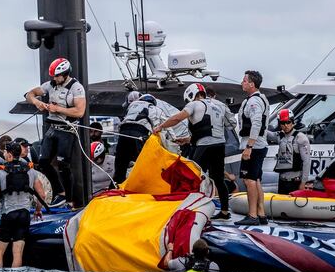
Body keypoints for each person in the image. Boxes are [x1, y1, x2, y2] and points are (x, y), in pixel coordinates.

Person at [153, 83, 232, 219]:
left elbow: (178, 118)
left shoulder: (194, 104)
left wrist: (161, 126)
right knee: (218, 179)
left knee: (191, 177)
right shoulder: (218, 105)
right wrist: (186, 139)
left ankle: (190, 210)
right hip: (219, 145)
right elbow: (214, 129)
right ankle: (225, 211)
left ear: (191, 95)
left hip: (203, 147)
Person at [25, 57, 86, 208]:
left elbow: (80, 111)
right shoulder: (50, 85)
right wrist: (37, 102)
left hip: (67, 130)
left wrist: (58, 109)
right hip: (52, 129)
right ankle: (60, 193)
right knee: (44, 162)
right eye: (53, 76)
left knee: (64, 164)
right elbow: (29, 94)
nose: (54, 79)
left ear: (65, 74)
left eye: (57, 76)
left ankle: (70, 199)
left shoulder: (76, 88)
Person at [0, 142, 46, 268]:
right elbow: (42, 195)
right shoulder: (30, 170)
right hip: (24, 215)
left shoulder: (0, 173)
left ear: (9, 154)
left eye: (5, 152)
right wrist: (38, 210)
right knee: (17, 253)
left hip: (8, 214)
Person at [234, 70, 271, 226]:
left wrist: (249, 146)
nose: (242, 83)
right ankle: (261, 214)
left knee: (248, 180)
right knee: (255, 179)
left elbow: (256, 123)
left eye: (244, 80)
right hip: (259, 145)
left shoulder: (254, 101)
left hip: (254, 146)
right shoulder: (260, 99)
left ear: (252, 84)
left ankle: (252, 215)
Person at [113, 93, 160, 184]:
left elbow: (124, 119)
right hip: (139, 134)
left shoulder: (132, 106)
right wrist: (173, 138)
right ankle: (143, 185)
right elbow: (160, 125)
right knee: (143, 162)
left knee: (120, 163)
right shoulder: (154, 108)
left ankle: (116, 186)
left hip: (123, 133)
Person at [267, 109, 311, 195]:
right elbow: (267, 134)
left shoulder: (301, 138)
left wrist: (303, 183)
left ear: (293, 122)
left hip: (295, 182)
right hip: (282, 181)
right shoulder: (280, 136)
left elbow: (306, 162)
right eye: (283, 123)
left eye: (288, 122)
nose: (286, 125)